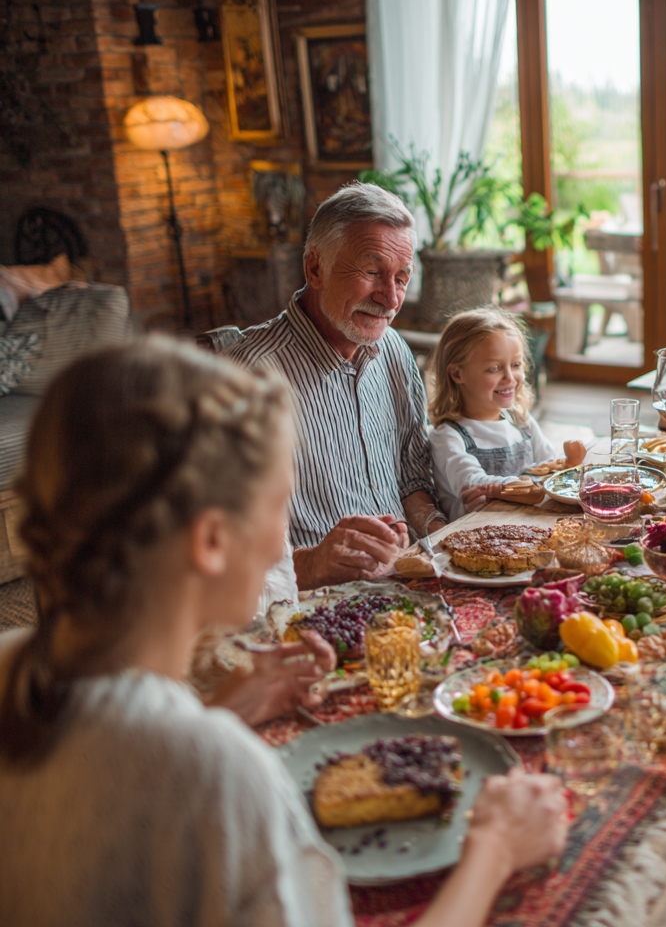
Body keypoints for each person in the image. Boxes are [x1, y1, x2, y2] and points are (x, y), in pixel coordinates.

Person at [0, 338, 567, 926]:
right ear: (212, 541)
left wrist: (225, 708)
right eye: (278, 506)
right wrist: (494, 850)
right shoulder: (222, 772)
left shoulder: (14, 665)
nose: (283, 545)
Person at [227, 182, 448, 591]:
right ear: (315, 269)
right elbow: (223, 547)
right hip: (308, 601)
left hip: (404, 581)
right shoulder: (249, 377)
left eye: (402, 278)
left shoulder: (393, 348)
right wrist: (312, 565)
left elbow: (412, 479)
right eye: (371, 272)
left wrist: (443, 537)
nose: (391, 299)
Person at [427, 308, 585, 519]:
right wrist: (531, 487)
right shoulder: (447, 436)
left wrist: (566, 467)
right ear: (457, 373)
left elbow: (550, 469)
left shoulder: (521, 421)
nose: (510, 378)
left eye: (516, 365)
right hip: (476, 537)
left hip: (527, 530)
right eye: (494, 368)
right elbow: (473, 483)